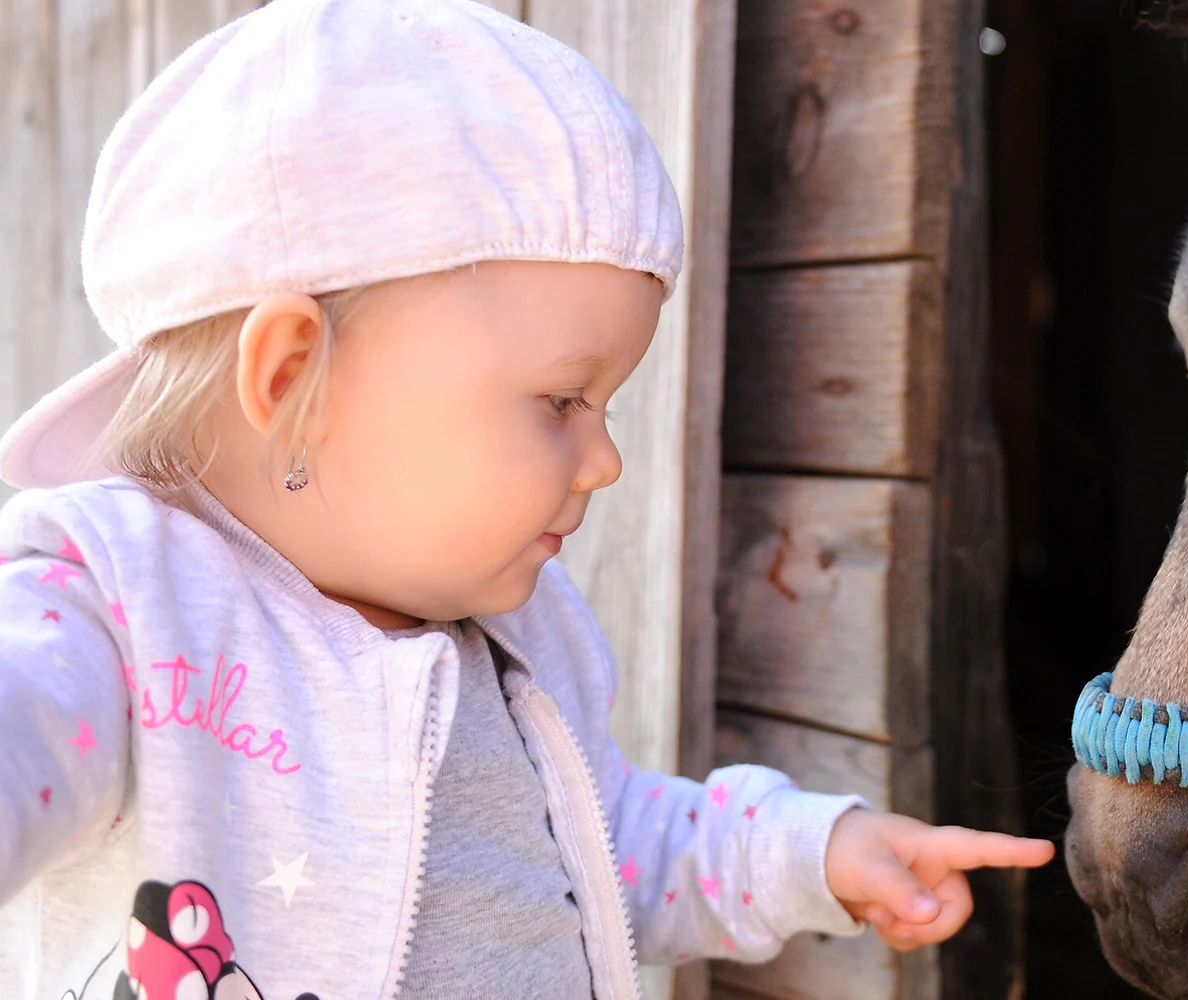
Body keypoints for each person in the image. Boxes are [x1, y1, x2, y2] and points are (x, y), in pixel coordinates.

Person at [0, 2, 1053, 997]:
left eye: (606, 406)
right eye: (561, 400)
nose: (605, 461)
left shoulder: (515, 643)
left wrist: (806, 853)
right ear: (289, 379)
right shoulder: (117, 612)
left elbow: (612, 846)